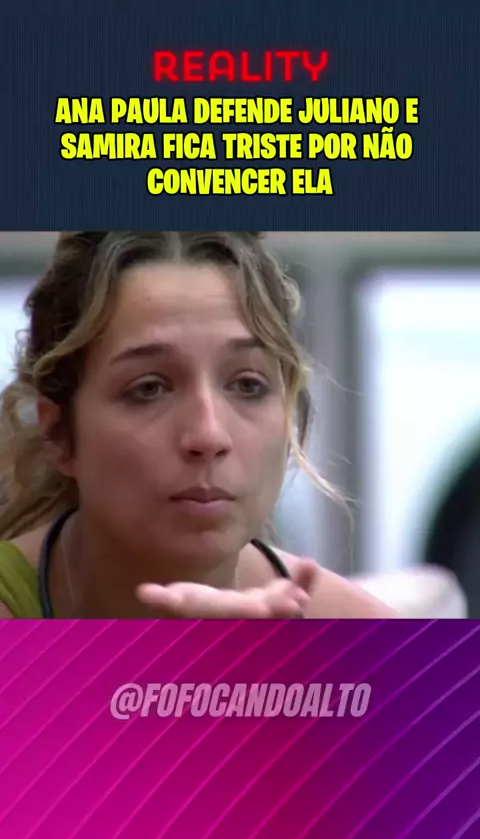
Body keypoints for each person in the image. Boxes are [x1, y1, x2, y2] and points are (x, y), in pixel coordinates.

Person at [0, 231, 396, 619]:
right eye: (149, 389)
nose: (209, 435)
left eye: (247, 385)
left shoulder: (361, 634)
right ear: (60, 434)